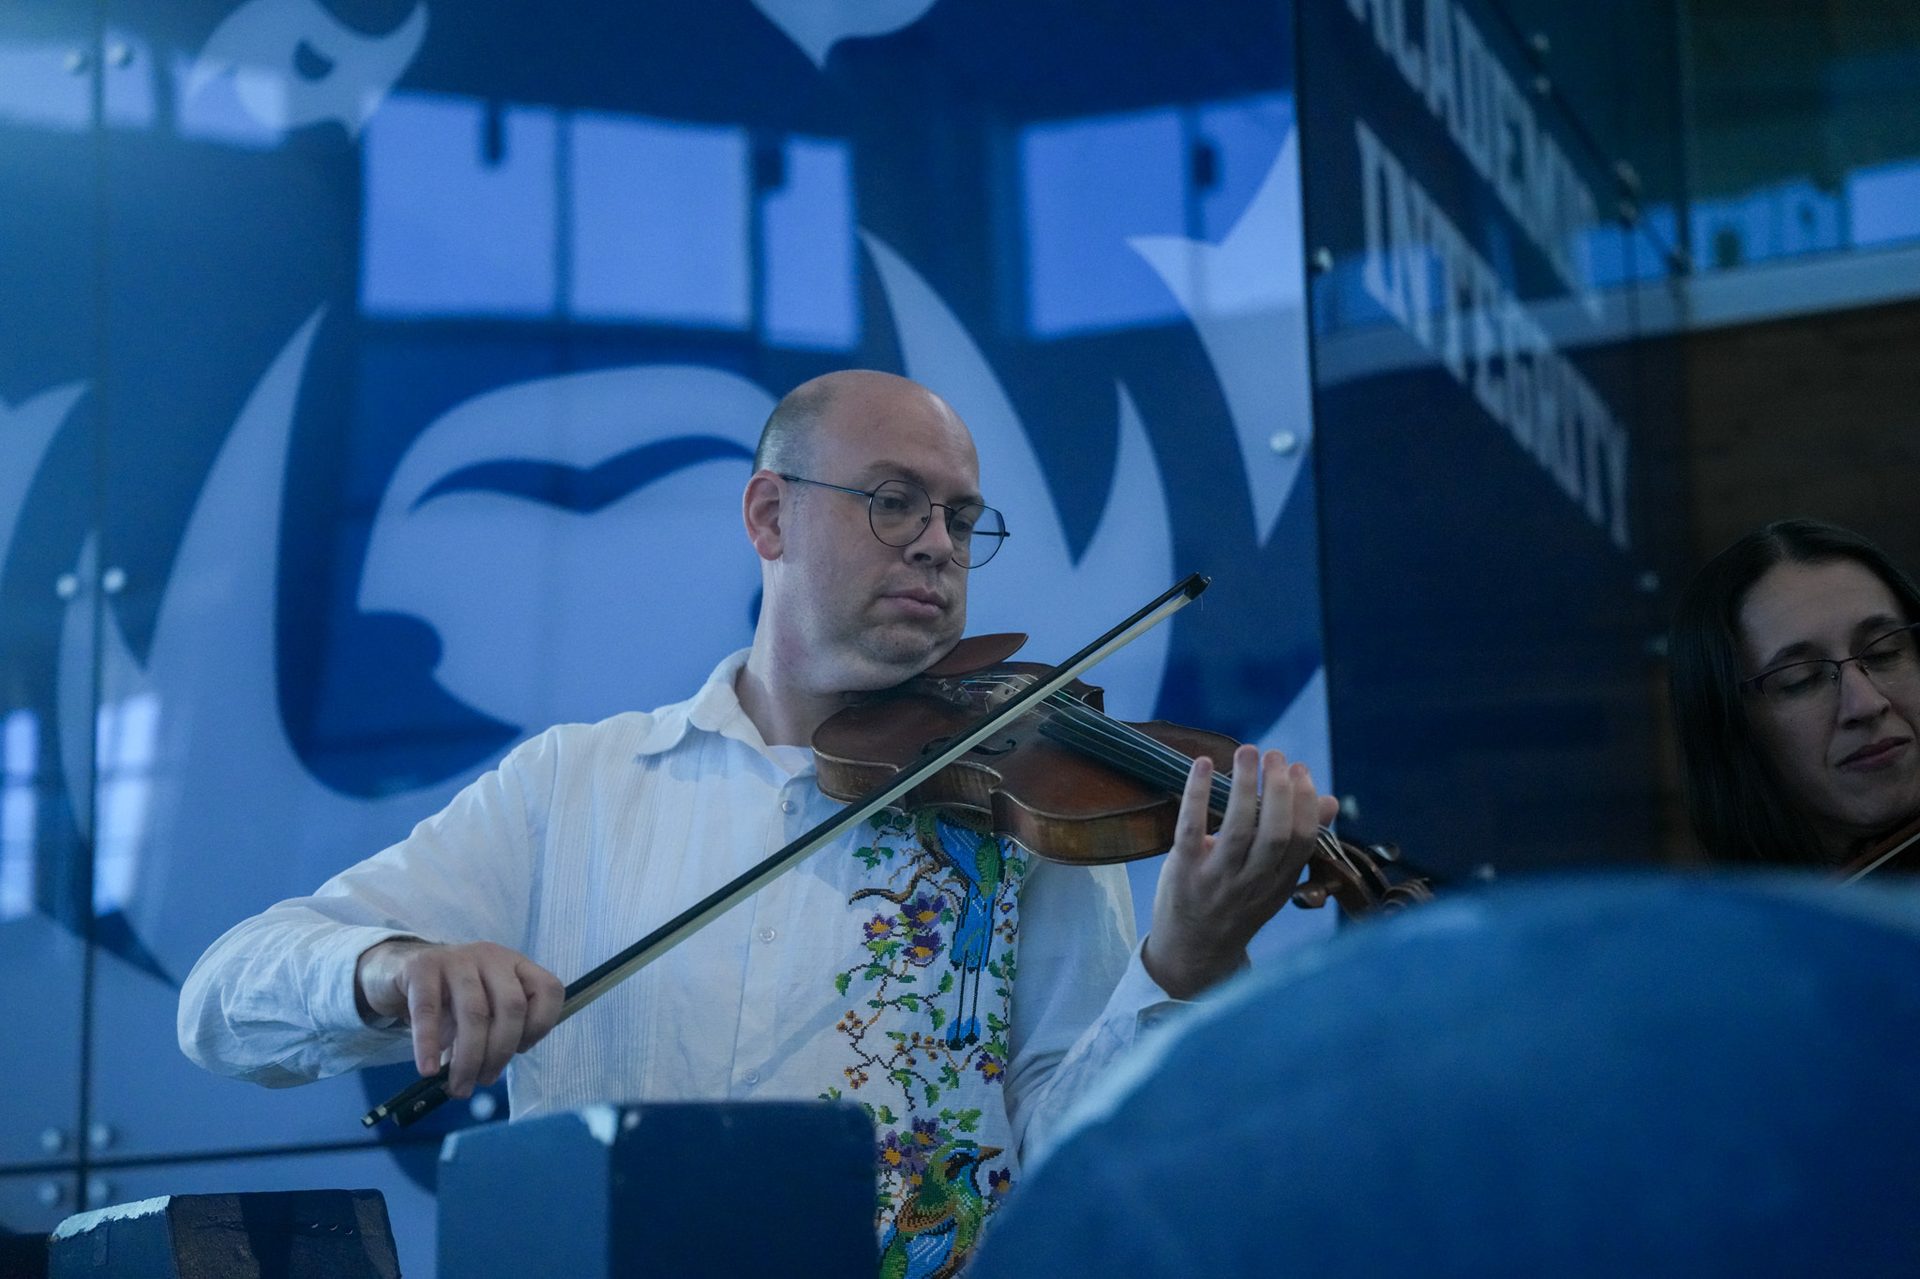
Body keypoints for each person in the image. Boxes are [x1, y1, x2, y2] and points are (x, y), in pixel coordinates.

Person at [178, 369, 1335, 1258]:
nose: (938, 542)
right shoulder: (578, 783)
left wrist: (1184, 962)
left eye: (960, 517)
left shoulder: (1027, 804)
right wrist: (391, 966)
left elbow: (1071, 1157)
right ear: (770, 516)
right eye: (895, 502)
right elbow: (223, 1001)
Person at [1667, 517, 1920, 867]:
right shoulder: (1740, 920)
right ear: (1732, 727)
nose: (1866, 703)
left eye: (1885, 651)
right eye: (1801, 679)